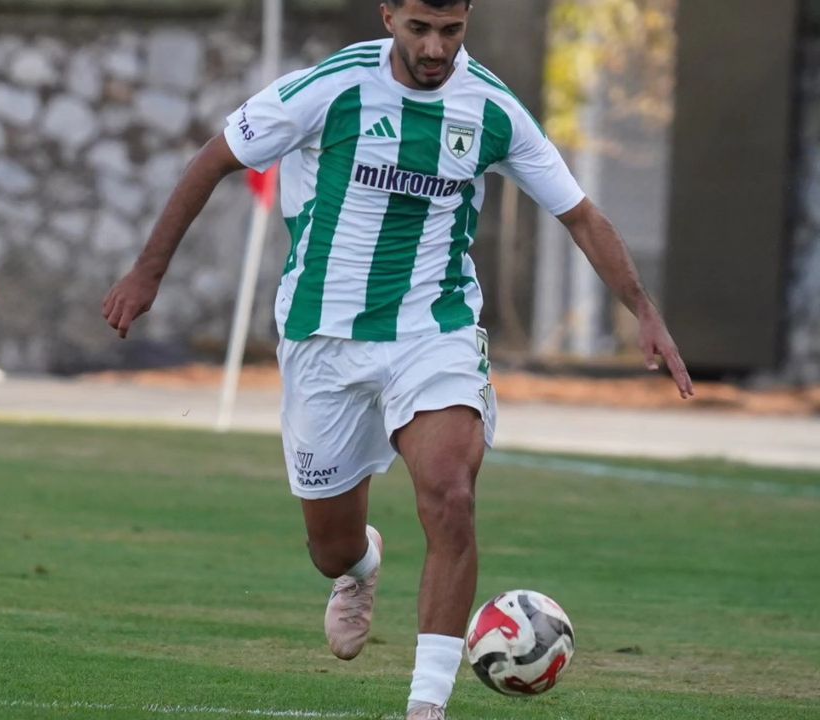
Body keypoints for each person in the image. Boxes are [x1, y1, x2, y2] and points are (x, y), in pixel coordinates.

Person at [102, 1, 693, 718]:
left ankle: (426, 705)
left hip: (434, 329)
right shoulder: (331, 88)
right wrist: (148, 273)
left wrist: (645, 310)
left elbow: (581, 215)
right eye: (420, 28)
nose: (436, 47)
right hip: (324, 336)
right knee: (328, 546)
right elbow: (214, 159)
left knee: (451, 495)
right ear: (388, 15)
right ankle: (360, 565)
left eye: (452, 30)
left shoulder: (492, 110)